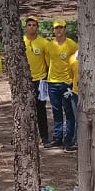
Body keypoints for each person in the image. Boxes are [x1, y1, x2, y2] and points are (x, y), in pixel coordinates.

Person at [45, 20, 79, 150]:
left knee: (69, 111)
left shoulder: (72, 45)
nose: (58, 30)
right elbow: (48, 61)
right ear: (53, 30)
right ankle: (57, 137)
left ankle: (68, 138)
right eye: (56, 28)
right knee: (56, 110)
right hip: (52, 82)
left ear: (65, 29)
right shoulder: (49, 45)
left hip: (67, 83)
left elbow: (75, 62)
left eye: (61, 28)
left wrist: (71, 80)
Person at [22, 16, 53, 144]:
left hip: (40, 80)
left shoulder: (44, 43)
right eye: (29, 25)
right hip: (24, 81)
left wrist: (46, 78)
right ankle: (25, 136)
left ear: (37, 27)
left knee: (40, 109)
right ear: (26, 27)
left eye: (34, 25)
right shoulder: (21, 41)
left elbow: (48, 63)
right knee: (24, 109)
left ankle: (44, 136)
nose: (31, 27)